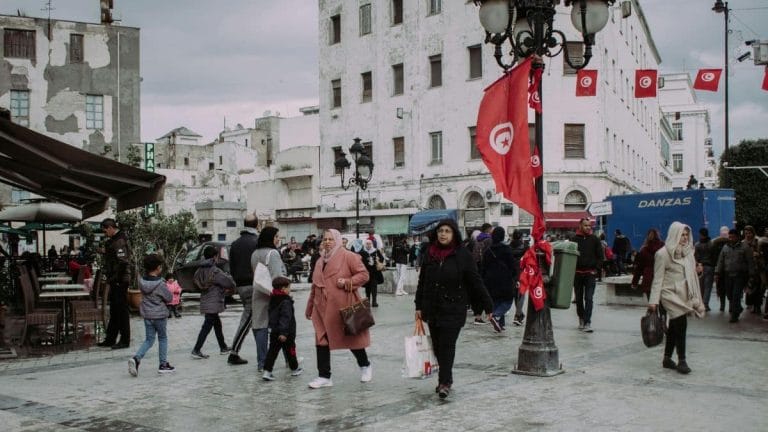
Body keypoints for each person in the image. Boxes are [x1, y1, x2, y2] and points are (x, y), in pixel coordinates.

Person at [415, 219, 493, 399]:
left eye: (447, 231)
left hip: (454, 308)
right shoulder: (430, 253)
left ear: (454, 234)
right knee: (437, 346)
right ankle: (446, 378)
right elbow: (422, 282)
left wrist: (488, 304)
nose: (443, 234)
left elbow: (475, 281)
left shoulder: (463, 255)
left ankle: (444, 382)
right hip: (432, 308)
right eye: (441, 231)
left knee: (447, 346)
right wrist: (418, 306)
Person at [305, 229, 372, 389]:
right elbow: (315, 286)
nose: (327, 242)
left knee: (350, 339)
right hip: (321, 308)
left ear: (337, 240)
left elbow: (364, 275)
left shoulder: (348, 256)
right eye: (325, 239)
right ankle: (324, 376)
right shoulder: (320, 260)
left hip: (341, 306)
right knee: (321, 340)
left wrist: (348, 282)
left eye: (330, 239)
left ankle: (365, 365)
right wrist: (309, 307)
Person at [648, 222, 706, 374]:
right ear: (675, 234)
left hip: (684, 294)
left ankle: (667, 358)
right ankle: (682, 360)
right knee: (681, 323)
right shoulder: (662, 254)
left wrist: (698, 272)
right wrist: (653, 301)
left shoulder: (688, 253)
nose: (685, 238)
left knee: (674, 326)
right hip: (669, 294)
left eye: (687, 235)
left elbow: (691, 274)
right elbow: (657, 279)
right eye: (682, 235)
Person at [128, 254, 174, 376]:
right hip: (159, 315)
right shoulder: (160, 284)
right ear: (158, 267)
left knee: (149, 340)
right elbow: (169, 298)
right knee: (162, 338)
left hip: (147, 315)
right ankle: (163, 364)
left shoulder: (142, 281)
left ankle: (136, 358)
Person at [250, 226, 287, 372]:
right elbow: (277, 277)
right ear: (270, 237)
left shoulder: (254, 253)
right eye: (276, 236)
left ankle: (261, 362)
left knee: (260, 326)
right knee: (282, 327)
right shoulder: (273, 253)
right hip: (274, 295)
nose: (278, 239)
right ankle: (290, 359)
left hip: (258, 292)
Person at [226, 214, 260, 365]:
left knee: (254, 318)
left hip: (240, 285)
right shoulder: (257, 242)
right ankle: (234, 352)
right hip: (254, 285)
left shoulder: (235, 244)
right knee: (248, 319)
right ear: (256, 225)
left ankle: (268, 351)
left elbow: (231, 266)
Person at [191, 246, 235, 359]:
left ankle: (223, 347)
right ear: (215, 257)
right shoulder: (215, 271)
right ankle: (196, 349)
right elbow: (228, 283)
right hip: (213, 302)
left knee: (217, 324)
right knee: (206, 327)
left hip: (205, 300)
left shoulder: (199, 270)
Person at [98, 218, 133, 350]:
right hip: (116, 279)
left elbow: (123, 262)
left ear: (111, 227)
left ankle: (125, 340)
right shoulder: (114, 240)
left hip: (120, 280)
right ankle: (110, 338)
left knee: (121, 310)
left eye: (105, 230)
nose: (105, 233)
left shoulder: (119, 240)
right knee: (114, 310)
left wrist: (116, 279)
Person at [262, 276, 303, 381]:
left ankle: (267, 371)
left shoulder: (272, 299)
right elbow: (285, 317)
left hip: (274, 331)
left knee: (272, 351)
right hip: (286, 333)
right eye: (289, 287)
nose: (290, 290)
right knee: (290, 350)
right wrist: (284, 333)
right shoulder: (286, 301)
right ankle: (295, 369)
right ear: (283, 289)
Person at [482, 226, 518, 331]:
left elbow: (483, 267)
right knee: (507, 301)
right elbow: (512, 264)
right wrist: (514, 276)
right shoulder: (506, 249)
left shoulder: (488, 251)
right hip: (504, 279)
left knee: (497, 301)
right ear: (502, 236)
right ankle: (496, 316)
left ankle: (500, 325)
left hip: (490, 280)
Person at [715, 229, 755, 323]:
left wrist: (751, 274)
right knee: (729, 295)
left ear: (737, 237)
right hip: (728, 275)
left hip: (739, 275)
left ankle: (734, 315)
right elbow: (720, 261)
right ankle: (738, 308)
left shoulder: (745, 247)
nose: (731, 238)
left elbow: (750, 262)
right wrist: (717, 272)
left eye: (733, 237)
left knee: (736, 295)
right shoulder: (725, 247)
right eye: (730, 237)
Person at [571, 218, 603, 333]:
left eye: (589, 226)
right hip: (577, 274)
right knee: (579, 299)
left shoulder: (595, 239)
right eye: (585, 225)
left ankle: (587, 321)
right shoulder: (574, 239)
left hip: (590, 273)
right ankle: (581, 317)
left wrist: (596, 269)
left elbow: (600, 256)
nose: (588, 227)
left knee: (589, 298)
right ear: (580, 226)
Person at [631, 228, 665, 300]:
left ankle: (654, 311)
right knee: (663, 306)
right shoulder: (664, 248)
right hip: (662, 279)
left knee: (652, 304)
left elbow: (639, 268)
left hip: (649, 280)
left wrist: (634, 283)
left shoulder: (644, 250)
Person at [741, 226, 763, 314]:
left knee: (758, 288)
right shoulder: (743, 242)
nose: (748, 235)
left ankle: (757, 306)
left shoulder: (758, 241)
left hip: (758, 268)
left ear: (753, 233)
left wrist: (758, 254)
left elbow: (764, 252)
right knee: (749, 287)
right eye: (746, 233)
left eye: (749, 233)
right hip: (747, 269)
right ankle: (752, 305)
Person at [709, 226, 731, 311]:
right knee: (729, 287)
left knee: (721, 288)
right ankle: (730, 306)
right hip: (728, 268)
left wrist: (715, 267)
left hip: (720, 269)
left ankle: (722, 306)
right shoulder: (731, 242)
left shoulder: (714, 242)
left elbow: (713, 256)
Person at [358, 239, 384, 307]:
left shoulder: (376, 251)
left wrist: (377, 260)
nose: (368, 245)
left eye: (369, 243)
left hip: (375, 272)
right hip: (366, 273)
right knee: (367, 288)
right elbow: (358, 260)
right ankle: (368, 301)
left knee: (374, 287)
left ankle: (374, 301)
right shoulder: (362, 252)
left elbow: (382, 258)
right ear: (365, 244)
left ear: (372, 244)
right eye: (367, 244)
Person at [508, 229, 527, 326]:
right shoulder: (525, 248)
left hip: (511, 274)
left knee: (516, 295)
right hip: (521, 273)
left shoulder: (508, 247)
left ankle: (519, 314)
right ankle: (517, 315)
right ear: (521, 237)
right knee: (521, 295)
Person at [693, 227, 714, 311]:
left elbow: (695, 257)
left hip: (700, 266)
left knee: (700, 286)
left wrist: (697, 264)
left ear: (701, 234)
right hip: (710, 266)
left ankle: (701, 303)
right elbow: (714, 256)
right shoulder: (712, 244)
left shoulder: (697, 245)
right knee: (708, 287)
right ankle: (705, 304)